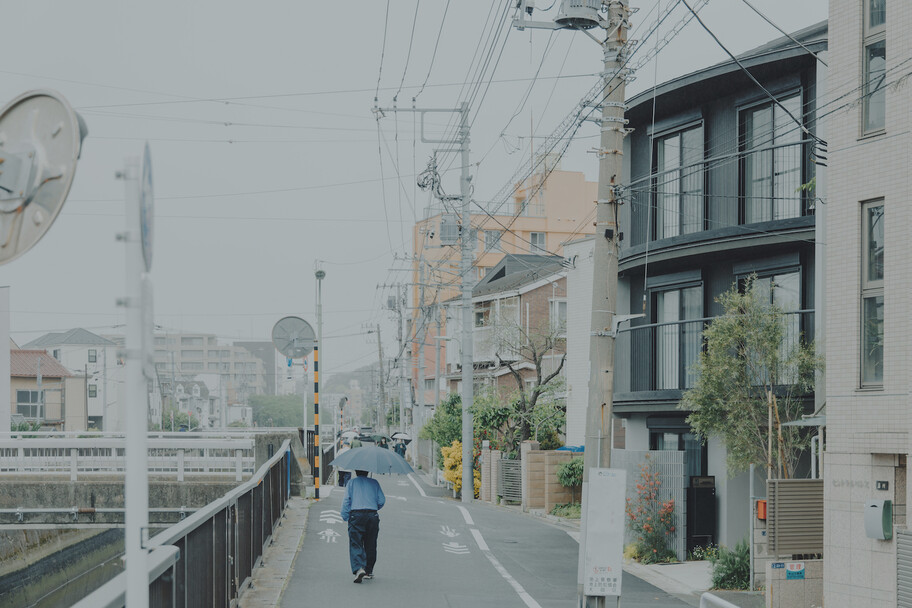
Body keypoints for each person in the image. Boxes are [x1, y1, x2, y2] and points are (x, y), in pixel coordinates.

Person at [340, 469, 385, 583]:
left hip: (356, 515)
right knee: (371, 543)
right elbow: (381, 500)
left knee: (356, 543)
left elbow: (346, 501)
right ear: (368, 471)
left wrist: (345, 515)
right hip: (372, 515)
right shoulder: (374, 483)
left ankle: (359, 568)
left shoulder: (352, 483)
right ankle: (368, 571)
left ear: (356, 471)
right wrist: (373, 508)